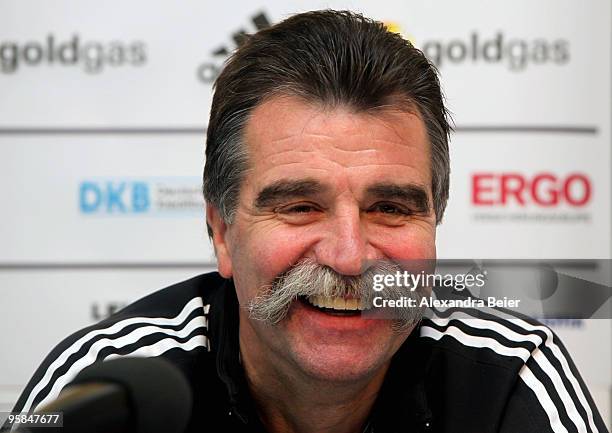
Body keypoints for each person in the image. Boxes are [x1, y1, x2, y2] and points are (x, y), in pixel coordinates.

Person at [5, 10, 607, 433]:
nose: (349, 258)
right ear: (220, 230)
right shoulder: (104, 388)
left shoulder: (514, 376)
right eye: (299, 206)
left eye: (391, 209)